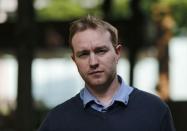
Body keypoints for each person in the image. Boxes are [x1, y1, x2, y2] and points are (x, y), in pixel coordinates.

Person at [38, 15, 176, 131]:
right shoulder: (57, 121)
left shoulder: (155, 110)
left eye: (100, 51)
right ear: (74, 60)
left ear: (117, 53)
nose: (93, 62)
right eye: (84, 54)